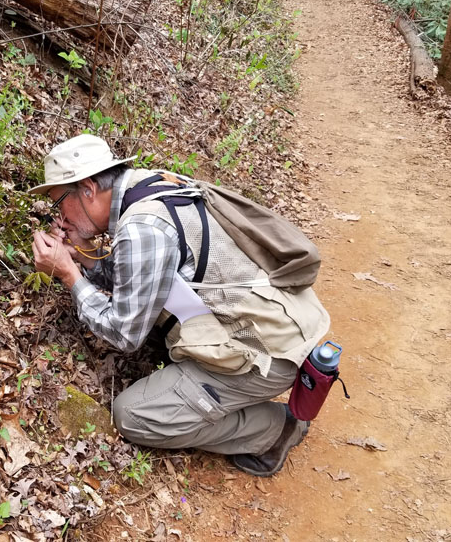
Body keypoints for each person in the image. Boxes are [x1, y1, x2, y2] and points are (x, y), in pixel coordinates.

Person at [29, 134, 331, 477]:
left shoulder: (142, 227)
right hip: (284, 320)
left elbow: (123, 335)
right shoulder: (154, 185)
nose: (59, 215)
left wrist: (69, 275)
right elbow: (139, 278)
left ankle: (274, 430)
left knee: (133, 416)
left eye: (59, 202)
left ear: (87, 189)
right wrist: (84, 255)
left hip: (267, 351)